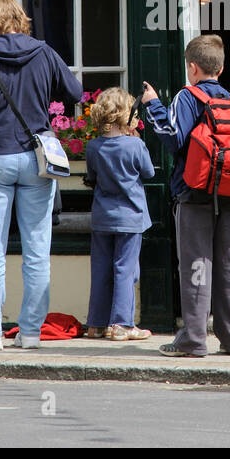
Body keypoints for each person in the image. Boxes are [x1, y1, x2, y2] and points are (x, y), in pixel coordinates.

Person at [0, 0, 82, 351]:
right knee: (37, 250)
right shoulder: (44, 52)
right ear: (21, 19)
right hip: (36, 157)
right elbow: (75, 91)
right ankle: (32, 333)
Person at [142, 34, 230, 358]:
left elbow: (172, 137)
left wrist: (152, 105)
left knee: (197, 266)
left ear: (193, 68)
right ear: (222, 67)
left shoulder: (188, 97)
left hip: (195, 193)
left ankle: (193, 339)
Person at [83, 87, 154, 341]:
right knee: (125, 269)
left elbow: (91, 177)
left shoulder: (93, 147)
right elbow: (149, 173)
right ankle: (123, 324)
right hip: (130, 217)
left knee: (101, 269)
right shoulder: (135, 144)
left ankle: (96, 324)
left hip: (102, 217)